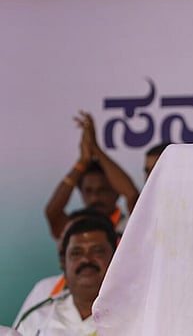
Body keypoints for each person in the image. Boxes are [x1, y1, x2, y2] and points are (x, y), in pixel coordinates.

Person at [14, 214, 118, 335]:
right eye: (76, 253)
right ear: (64, 262)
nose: (86, 259)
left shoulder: (133, 314)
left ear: (115, 257)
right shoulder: (37, 319)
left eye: (97, 251)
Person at [45, 110, 139, 240]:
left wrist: (96, 148)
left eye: (102, 190)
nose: (95, 198)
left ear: (117, 191)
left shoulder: (131, 226)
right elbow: (52, 212)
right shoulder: (74, 228)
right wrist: (82, 161)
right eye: (88, 191)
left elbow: (132, 195)